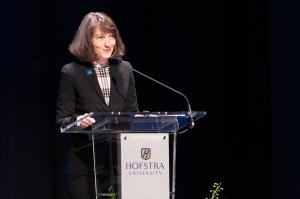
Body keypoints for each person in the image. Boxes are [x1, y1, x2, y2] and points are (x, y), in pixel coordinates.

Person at [56, 12, 139, 199]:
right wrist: (79, 121)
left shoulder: (125, 70)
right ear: (87, 40)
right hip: (85, 167)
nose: (108, 43)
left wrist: (138, 119)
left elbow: (132, 113)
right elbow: (62, 120)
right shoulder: (71, 72)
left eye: (111, 36)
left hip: (118, 166)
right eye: (100, 37)